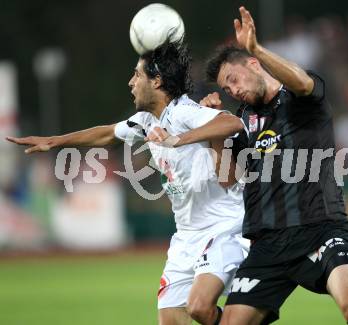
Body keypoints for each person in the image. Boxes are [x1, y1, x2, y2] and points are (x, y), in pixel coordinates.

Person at [6, 41, 248, 325]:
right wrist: (54, 141)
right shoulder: (146, 120)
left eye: (137, 75)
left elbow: (230, 123)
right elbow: (107, 134)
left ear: (157, 81)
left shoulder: (184, 112)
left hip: (221, 227)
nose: (131, 82)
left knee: (198, 307)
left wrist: (177, 139)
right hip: (187, 235)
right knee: (170, 318)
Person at [200, 6, 348, 325]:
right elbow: (228, 179)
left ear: (254, 64)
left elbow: (301, 81)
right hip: (268, 241)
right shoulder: (242, 120)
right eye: (226, 89)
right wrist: (215, 130)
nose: (233, 90)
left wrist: (255, 46)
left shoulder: (300, 96)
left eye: (233, 79)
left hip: (320, 227)